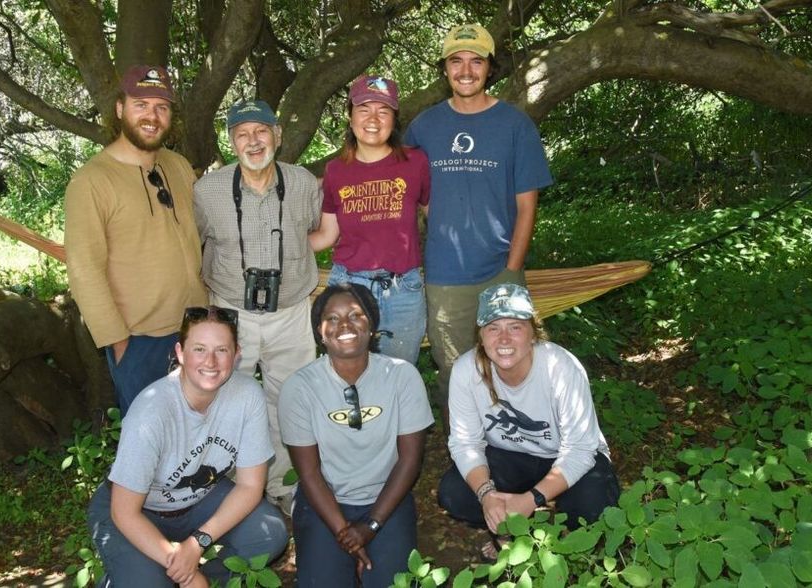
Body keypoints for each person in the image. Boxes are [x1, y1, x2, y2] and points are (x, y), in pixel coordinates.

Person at [404, 24, 553, 425]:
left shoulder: (515, 126)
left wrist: (511, 270)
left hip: (500, 270)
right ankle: (467, 455)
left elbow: (527, 206)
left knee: (514, 364)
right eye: (456, 61)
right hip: (444, 275)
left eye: (476, 61)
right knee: (454, 370)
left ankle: (521, 445)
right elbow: (402, 189)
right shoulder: (423, 127)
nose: (466, 70)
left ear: (489, 68)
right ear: (445, 69)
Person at [87, 306, 288, 587]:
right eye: (199, 349)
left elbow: (250, 487)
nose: (211, 361)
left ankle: (192, 577)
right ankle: (141, 576)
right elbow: (124, 511)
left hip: (197, 499)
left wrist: (196, 545)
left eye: (222, 350)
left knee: (269, 533)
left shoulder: (247, 396)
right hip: (136, 509)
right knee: (148, 583)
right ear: (180, 353)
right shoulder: (151, 411)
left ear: (237, 353)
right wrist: (187, 571)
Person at [193, 100, 322, 514]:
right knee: (227, 398)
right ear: (231, 140)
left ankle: (285, 487)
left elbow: (322, 231)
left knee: (291, 400)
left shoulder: (304, 184)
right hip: (230, 310)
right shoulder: (208, 191)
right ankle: (232, 488)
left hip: (291, 309)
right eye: (242, 133)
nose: (253, 141)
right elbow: (190, 246)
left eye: (261, 131)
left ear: (278, 135)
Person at [65, 64, 208, 413]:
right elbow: (84, 269)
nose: (152, 116)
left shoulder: (178, 166)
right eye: (140, 104)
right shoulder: (92, 181)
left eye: (161, 107)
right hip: (140, 341)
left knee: (203, 436)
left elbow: (202, 237)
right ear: (119, 109)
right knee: (155, 446)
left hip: (196, 329)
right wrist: (117, 341)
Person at [438, 284, 620, 558]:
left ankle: (552, 529)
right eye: (493, 328)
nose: (503, 339)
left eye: (515, 327)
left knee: (594, 507)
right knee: (455, 493)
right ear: (481, 336)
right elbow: (465, 443)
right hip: (510, 457)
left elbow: (581, 449)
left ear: (533, 331)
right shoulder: (466, 370)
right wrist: (487, 495)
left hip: (565, 457)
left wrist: (532, 499)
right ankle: (513, 526)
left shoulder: (560, 367)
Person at [279, 284, 434, 587]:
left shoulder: (402, 376)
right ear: (320, 333)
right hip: (324, 500)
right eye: (332, 319)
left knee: (393, 583)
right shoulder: (299, 388)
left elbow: (410, 460)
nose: (345, 325)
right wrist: (346, 533)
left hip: (387, 498)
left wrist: (371, 526)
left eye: (355, 315)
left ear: (372, 326)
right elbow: (309, 473)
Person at [310, 75, 430, 365]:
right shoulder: (336, 171)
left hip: (404, 291)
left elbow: (437, 222)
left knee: (400, 377)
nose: (373, 119)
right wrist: (277, 246)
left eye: (383, 111)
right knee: (349, 375)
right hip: (349, 289)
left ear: (394, 119)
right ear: (350, 117)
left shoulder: (416, 163)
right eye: (364, 109)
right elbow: (326, 235)